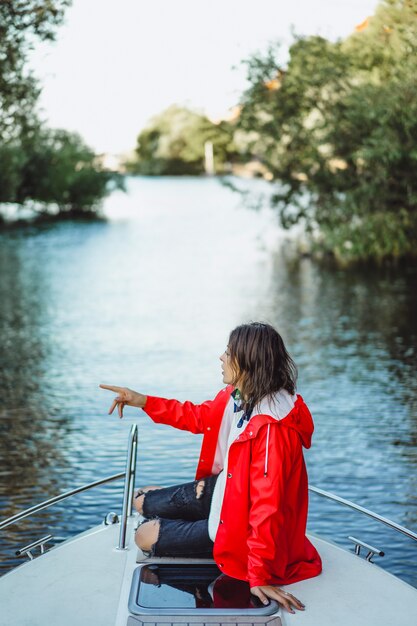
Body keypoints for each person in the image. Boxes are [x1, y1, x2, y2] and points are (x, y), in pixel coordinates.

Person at [100, 322, 322, 614]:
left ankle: (198, 526)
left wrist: (258, 575)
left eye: (228, 352)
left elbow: (268, 507)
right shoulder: (242, 396)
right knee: (140, 499)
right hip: (226, 492)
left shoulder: (272, 430)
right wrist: (143, 401)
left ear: (248, 362)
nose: (221, 357)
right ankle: (193, 513)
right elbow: (199, 416)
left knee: (144, 536)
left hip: (240, 527)